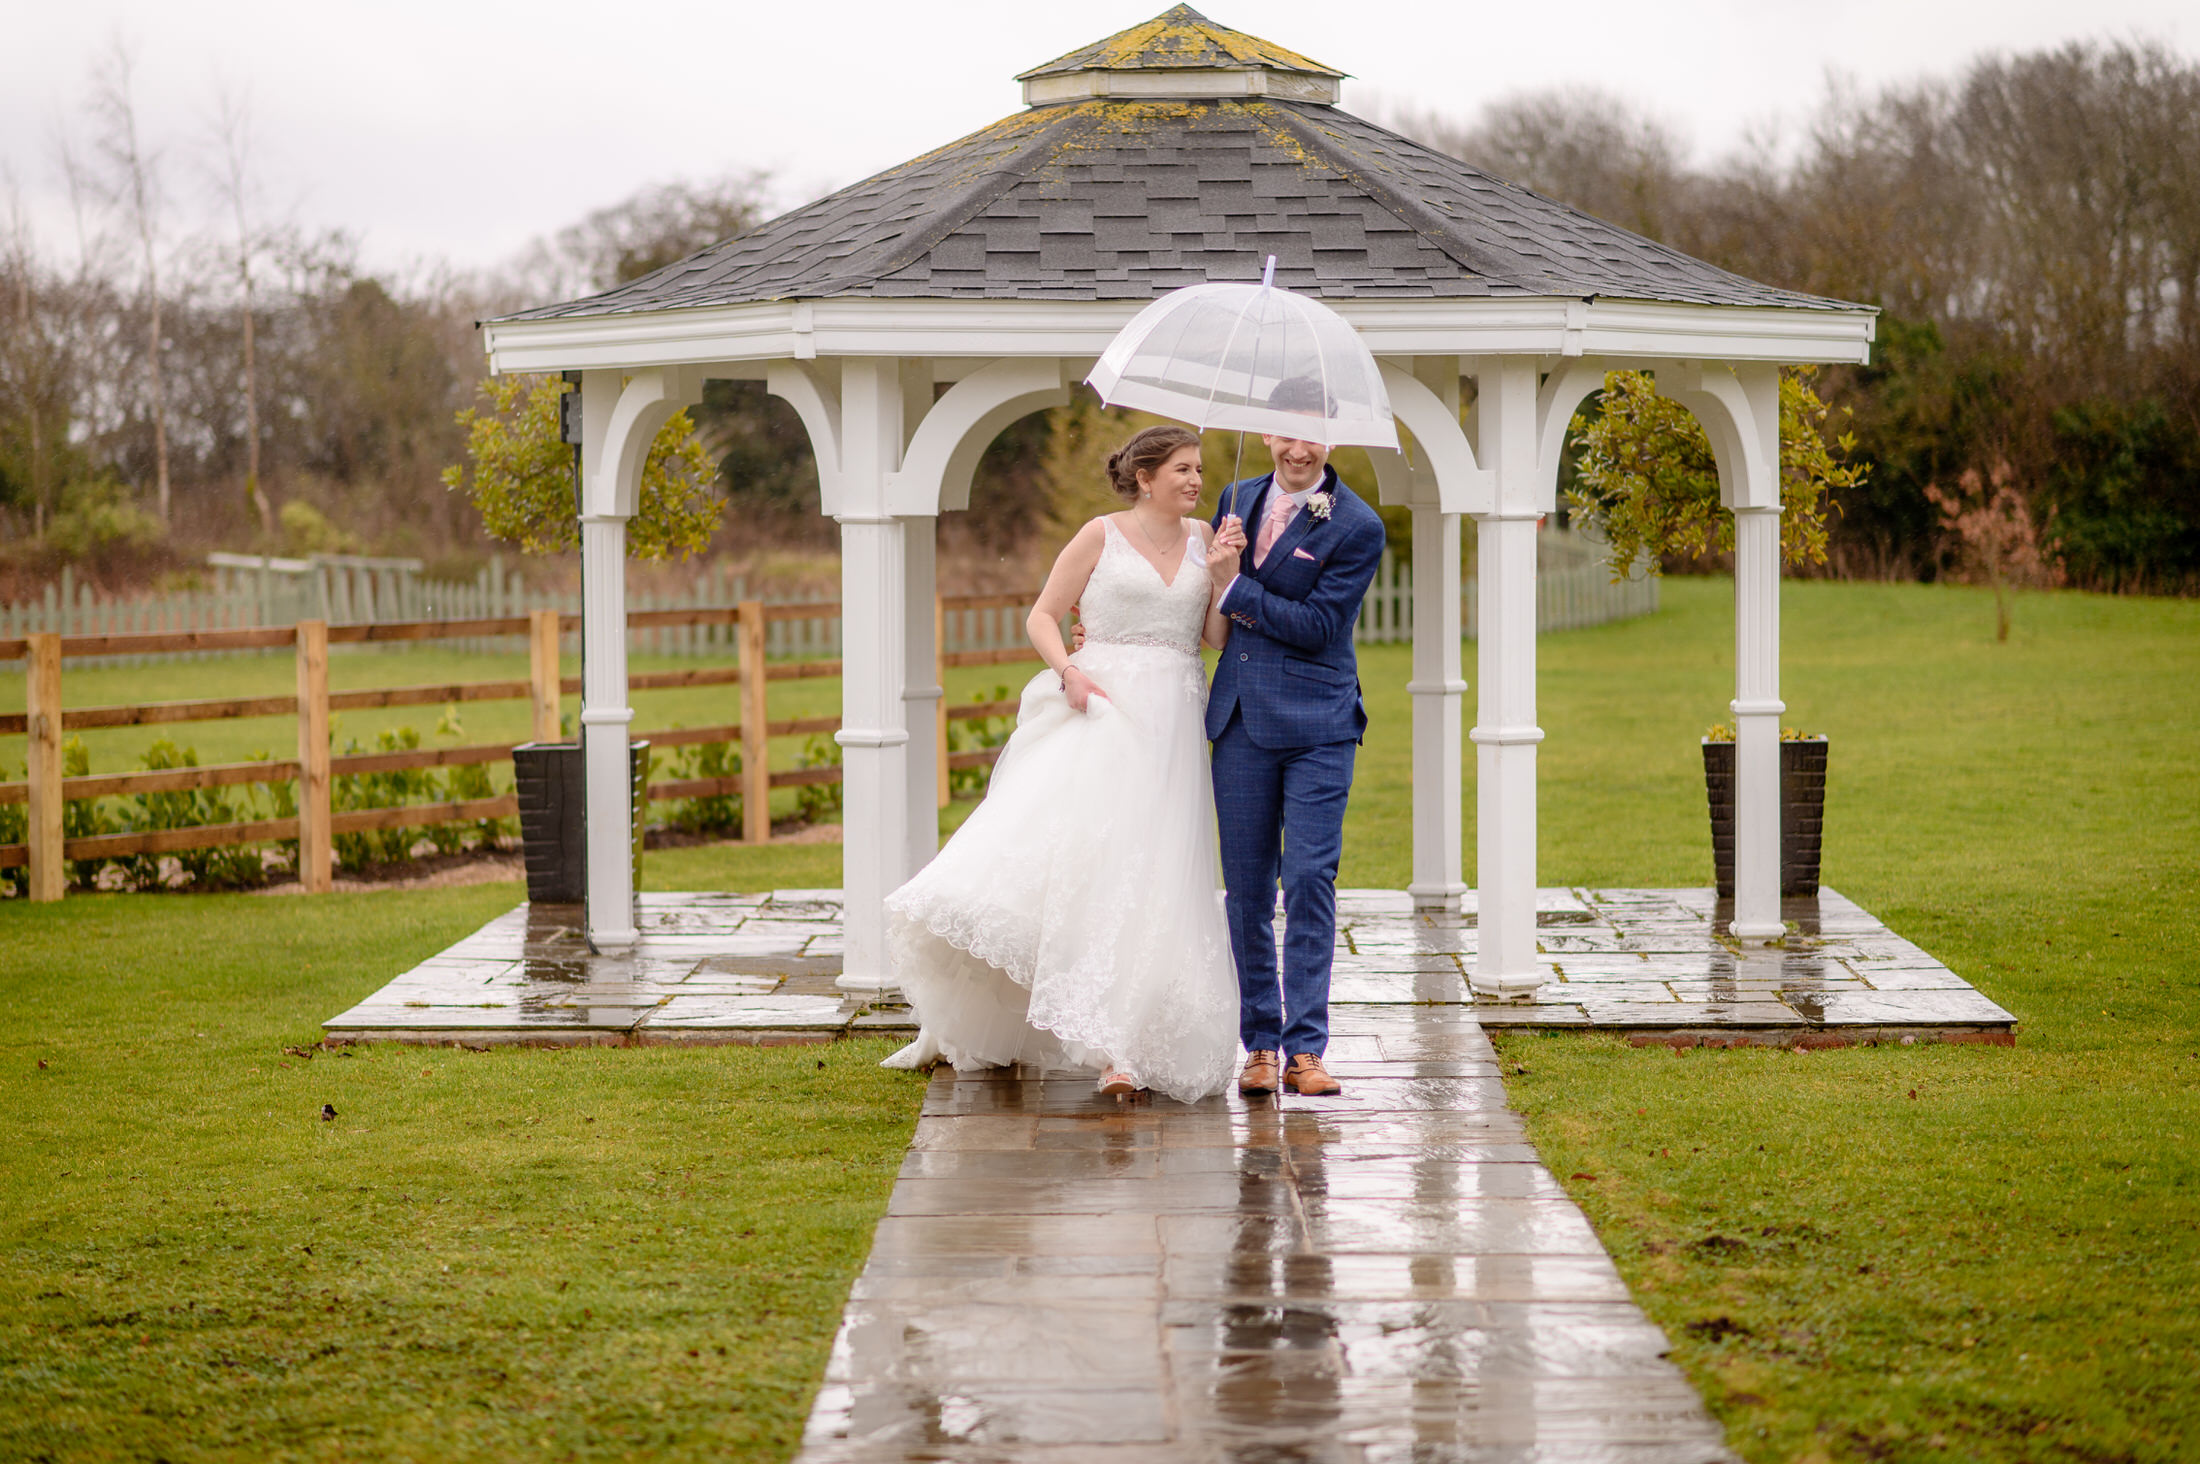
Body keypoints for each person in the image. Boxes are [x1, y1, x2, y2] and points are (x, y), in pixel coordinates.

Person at [880, 425, 1242, 1102]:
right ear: (1144, 476)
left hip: (1174, 715)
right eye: (1183, 469)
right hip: (1100, 707)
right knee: (1092, 863)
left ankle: (1134, 1035)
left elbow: (1215, 638)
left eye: (1198, 469)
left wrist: (1224, 573)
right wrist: (1069, 670)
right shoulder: (1099, 534)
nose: (1196, 480)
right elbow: (1043, 615)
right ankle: (1109, 1049)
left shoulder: (1207, 539)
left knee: (1157, 872)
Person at [1205, 380, 1387, 1098]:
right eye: (1284, 432)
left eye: (1311, 434)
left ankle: (1307, 1049)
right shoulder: (1233, 497)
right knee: (1246, 891)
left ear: (1331, 440)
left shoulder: (1356, 524)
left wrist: (1233, 585)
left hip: (1318, 725)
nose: (1296, 447)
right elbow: (1194, 599)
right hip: (1241, 720)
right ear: (1267, 433)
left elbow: (1317, 628)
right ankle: (1259, 1044)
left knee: (1309, 879)